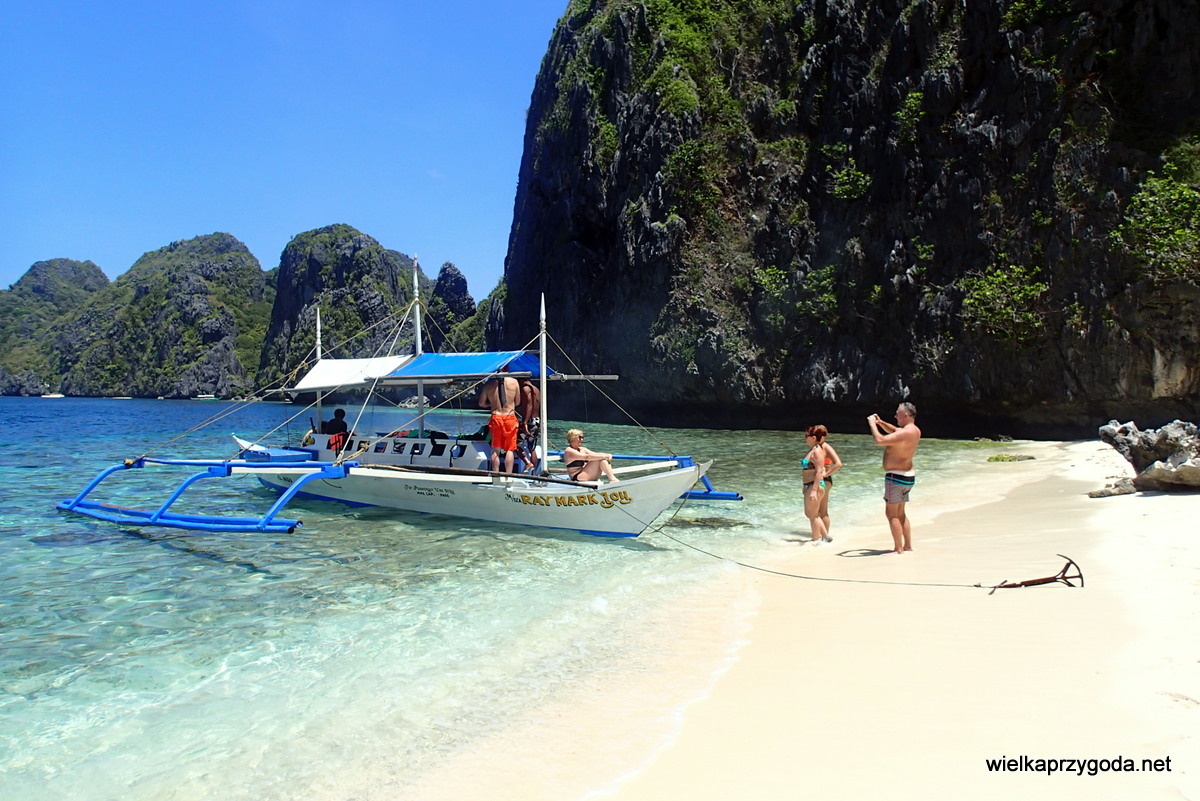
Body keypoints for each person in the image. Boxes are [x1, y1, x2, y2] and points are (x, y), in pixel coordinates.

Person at [867, 402, 922, 553]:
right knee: (901, 513)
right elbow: (895, 430)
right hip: (907, 476)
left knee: (892, 514)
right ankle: (907, 546)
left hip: (896, 477)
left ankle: (898, 548)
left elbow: (879, 440)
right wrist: (881, 423)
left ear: (905, 415)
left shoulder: (905, 433)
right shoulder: (914, 430)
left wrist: (872, 424)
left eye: (897, 413)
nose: (895, 416)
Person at [478, 370, 520, 473]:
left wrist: (492, 404)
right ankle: (508, 474)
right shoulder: (514, 382)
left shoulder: (489, 385)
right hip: (509, 417)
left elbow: (481, 403)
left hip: (496, 417)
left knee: (495, 449)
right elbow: (518, 402)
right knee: (510, 449)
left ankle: (495, 474)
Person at [801, 425, 831, 543]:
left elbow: (819, 471)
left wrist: (813, 490)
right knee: (811, 514)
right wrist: (805, 486)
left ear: (813, 437)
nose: (805, 438)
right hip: (809, 485)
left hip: (815, 485)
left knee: (812, 515)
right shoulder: (812, 450)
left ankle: (815, 540)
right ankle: (825, 537)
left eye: (807, 436)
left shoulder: (817, 451)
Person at [819, 437, 843, 536]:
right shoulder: (818, 447)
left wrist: (826, 474)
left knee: (822, 511)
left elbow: (838, 464)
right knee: (818, 511)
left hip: (824, 480)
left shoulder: (826, 447)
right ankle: (822, 535)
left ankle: (825, 536)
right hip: (821, 480)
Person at [517, 377, 542, 474]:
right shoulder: (536, 389)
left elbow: (529, 405)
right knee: (532, 448)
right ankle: (533, 474)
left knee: (515, 444)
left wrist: (525, 422)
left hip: (529, 421)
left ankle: (528, 463)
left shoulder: (526, 389)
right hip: (536, 420)